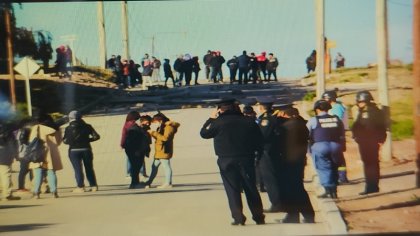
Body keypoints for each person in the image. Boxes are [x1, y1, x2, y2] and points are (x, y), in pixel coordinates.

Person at [200, 98, 265, 225]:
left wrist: (211, 119)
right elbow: (259, 141)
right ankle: (258, 217)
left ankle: (238, 218)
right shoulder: (249, 121)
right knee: (251, 188)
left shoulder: (218, 122)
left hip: (226, 160)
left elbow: (204, 134)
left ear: (220, 110)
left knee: (232, 189)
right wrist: (258, 157)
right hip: (246, 158)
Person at [277, 107, 315, 223]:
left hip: (290, 161)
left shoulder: (287, 127)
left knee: (293, 189)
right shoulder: (302, 124)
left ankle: (296, 215)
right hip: (298, 160)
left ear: (285, 115)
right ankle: (302, 214)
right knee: (297, 188)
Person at [307, 100, 345, 199]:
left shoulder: (314, 120)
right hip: (336, 146)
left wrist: (308, 149)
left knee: (323, 168)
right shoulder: (336, 119)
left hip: (320, 146)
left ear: (317, 109)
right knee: (334, 167)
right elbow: (342, 133)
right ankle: (334, 191)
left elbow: (306, 134)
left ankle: (328, 190)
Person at [351, 91, 387, 195]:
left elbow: (379, 127)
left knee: (370, 164)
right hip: (368, 142)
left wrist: (356, 136)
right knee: (372, 164)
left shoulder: (369, 112)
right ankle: (373, 186)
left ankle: (371, 186)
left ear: (364, 101)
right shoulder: (372, 111)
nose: (358, 104)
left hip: (369, 142)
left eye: (360, 102)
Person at [256, 98, 283, 212]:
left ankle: (276, 204)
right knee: (274, 177)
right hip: (274, 150)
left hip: (266, 151)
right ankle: (280, 202)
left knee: (269, 179)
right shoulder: (274, 117)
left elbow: (263, 136)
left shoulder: (266, 120)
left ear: (261, 107)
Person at [63, 110, 100, 193]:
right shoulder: (87, 126)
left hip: (73, 150)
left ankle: (80, 187)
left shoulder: (68, 128)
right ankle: (93, 186)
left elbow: (65, 141)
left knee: (78, 169)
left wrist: (73, 142)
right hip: (86, 149)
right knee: (89, 168)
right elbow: (96, 136)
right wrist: (87, 140)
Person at [29, 113, 63, 199]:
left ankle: (36, 193)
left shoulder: (36, 127)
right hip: (51, 151)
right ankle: (54, 192)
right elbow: (59, 142)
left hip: (39, 151)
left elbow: (32, 141)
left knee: (38, 172)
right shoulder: (56, 128)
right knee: (51, 172)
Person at [145, 112, 180, 188]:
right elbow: (159, 138)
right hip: (159, 150)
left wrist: (153, 133)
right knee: (154, 166)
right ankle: (149, 182)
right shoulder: (162, 126)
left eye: (156, 122)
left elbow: (165, 138)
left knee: (166, 166)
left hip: (164, 149)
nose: (155, 123)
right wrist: (152, 134)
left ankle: (168, 183)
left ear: (160, 120)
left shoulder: (169, 127)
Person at [322, 91, 349, 183]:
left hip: (337, 135)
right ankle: (338, 176)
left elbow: (337, 122)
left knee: (338, 156)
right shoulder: (336, 107)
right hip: (335, 134)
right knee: (336, 156)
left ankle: (342, 177)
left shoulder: (337, 108)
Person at [120, 111, 149, 189]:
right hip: (134, 148)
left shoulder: (127, 124)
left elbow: (123, 135)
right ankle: (134, 183)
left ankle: (135, 182)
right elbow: (135, 137)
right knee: (136, 165)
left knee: (134, 165)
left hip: (129, 147)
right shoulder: (133, 125)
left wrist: (122, 144)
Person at [0, 122, 20, 201]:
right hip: (4, 156)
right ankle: (7, 194)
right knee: (6, 175)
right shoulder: (8, 133)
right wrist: (15, 155)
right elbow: (13, 145)